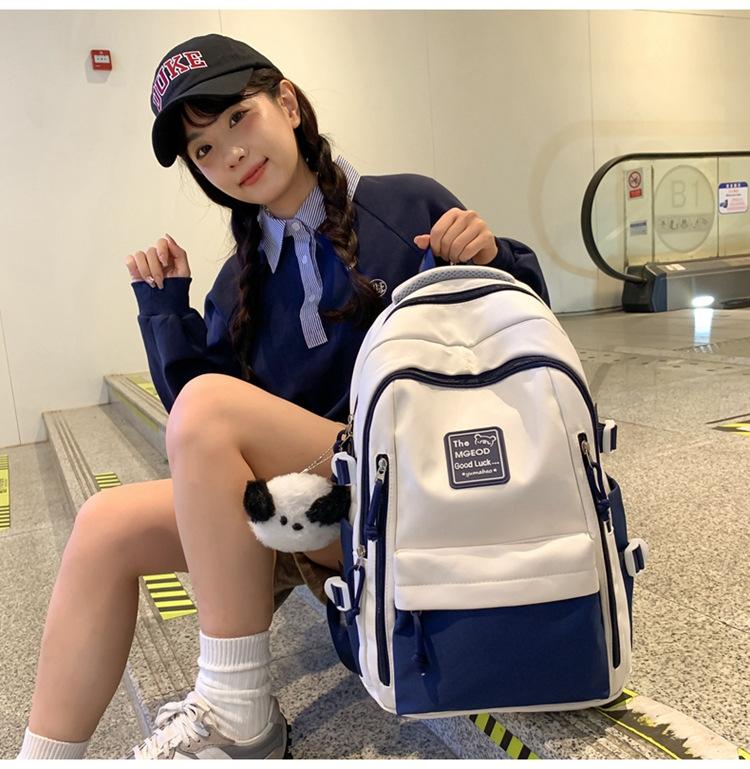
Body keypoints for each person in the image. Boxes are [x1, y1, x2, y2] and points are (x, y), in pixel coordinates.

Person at [16, 33, 549, 761]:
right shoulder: (237, 281)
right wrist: (166, 310)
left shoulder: (403, 204)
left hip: (414, 495)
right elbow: (196, 435)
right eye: (204, 149)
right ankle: (42, 758)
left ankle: (237, 710)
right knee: (104, 524)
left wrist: (493, 258)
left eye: (238, 117)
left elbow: (521, 344)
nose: (230, 153)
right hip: (308, 514)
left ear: (288, 103)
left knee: (211, 409)